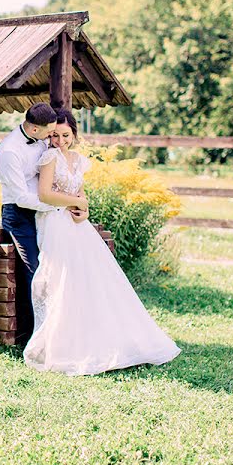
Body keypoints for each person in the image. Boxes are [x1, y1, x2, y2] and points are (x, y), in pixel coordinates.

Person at [22, 108, 181, 375]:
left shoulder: (78, 160)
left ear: (73, 134)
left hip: (76, 224)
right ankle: (63, 346)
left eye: (65, 135)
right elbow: (46, 194)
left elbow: (80, 193)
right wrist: (77, 202)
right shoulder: (49, 157)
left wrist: (84, 210)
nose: (60, 141)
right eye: (55, 136)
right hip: (54, 221)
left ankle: (103, 338)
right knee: (63, 278)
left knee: (92, 277)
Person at [0, 102, 73, 346]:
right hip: (19, 215)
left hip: (45, 210)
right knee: (35, 270)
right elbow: (21, 197)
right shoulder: (9, 152)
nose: (53, 137)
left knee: (55, 265)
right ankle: (34, 337)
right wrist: (58, 204)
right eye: (49, 132)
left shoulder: (40, 139)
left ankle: (60, 327)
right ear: (34, 128)